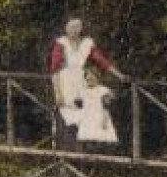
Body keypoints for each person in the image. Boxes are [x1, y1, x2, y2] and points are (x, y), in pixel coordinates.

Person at [48, 17, 125, 151]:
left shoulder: (87, 43)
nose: (74, 30)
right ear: (66, 28)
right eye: (71, 27)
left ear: (81, 29)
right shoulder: (61, 43)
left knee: (85, 114)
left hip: (81, 82)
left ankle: (82, 152)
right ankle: (64, 154)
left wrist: (119, 75)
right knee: (66, 116)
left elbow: (101, 61)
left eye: (77, 27)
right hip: (65, 81)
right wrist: (57, 92)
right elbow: (54, 69)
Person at [74, 67, 119, 148]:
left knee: (101, 137)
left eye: (92, 77)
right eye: (87, 77)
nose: (90, 79)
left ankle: (100, 152)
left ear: (97, 78)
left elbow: (107, 106)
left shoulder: (102, 90)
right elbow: (76, 101)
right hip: (87, 117)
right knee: (87, 138)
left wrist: (105, 119)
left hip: (99, 116)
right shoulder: (83, 91)